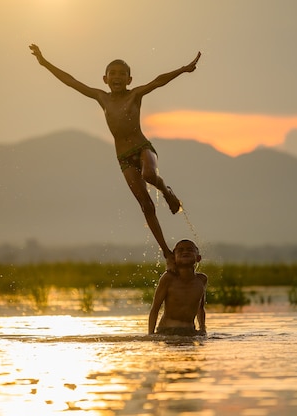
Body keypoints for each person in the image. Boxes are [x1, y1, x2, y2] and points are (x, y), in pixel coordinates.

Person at [29, 44, 201, 269]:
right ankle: (167, 252)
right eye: (113, 74)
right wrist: (45, 63)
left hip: (142, 148)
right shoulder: (102, 97)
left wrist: (183, 69)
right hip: (123, 158)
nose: (117, 77)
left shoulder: (135, 94)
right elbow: (71, 81)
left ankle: (167, 192)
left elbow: (158, 81)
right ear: (105, 79)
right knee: (145, 206)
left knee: (150, 174)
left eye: (122, 74)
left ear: (130, 79)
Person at [148, 239, 207, 336]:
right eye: (180, 250)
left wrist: (203, 329)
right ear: (173, 258)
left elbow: (200, 308)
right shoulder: (168, 278)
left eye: (190, 249)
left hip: (191, 331)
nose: (185, 252)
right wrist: (151, 334)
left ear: (198, 258)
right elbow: (155, 308)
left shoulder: (202, 279)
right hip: (168, 331)